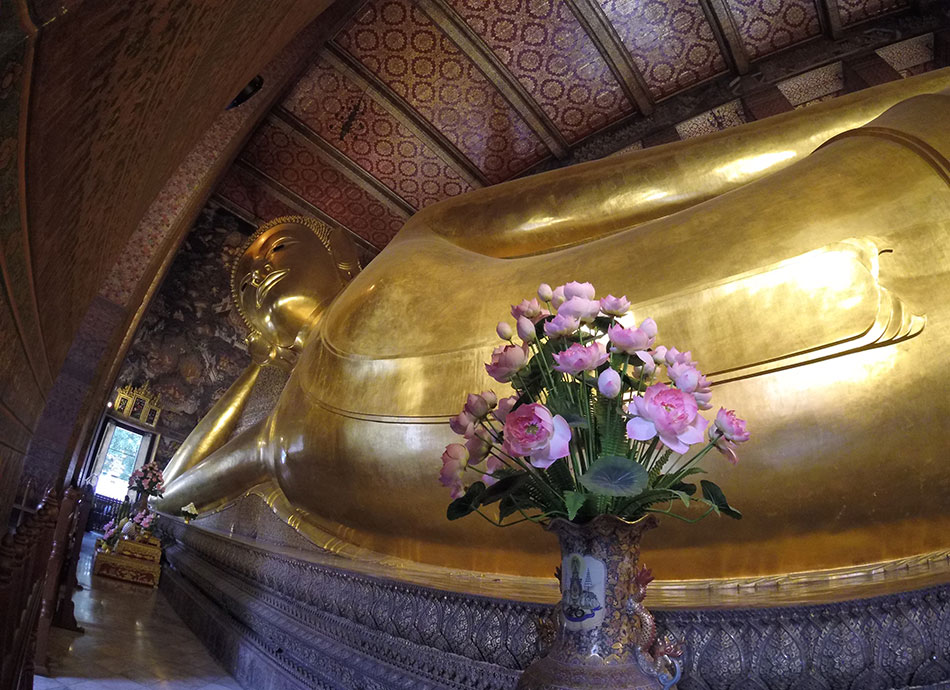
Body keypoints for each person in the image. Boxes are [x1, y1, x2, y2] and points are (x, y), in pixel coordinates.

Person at [155, 73, 950, 582]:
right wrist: (265, 364)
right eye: (251, 282)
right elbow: (176, 486)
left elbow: (628, 188)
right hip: (800, 433)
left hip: (857, 214)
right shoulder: (285, 431)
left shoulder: (416, 240)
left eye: (279, 247)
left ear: (338, 254)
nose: (262, 270)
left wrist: (892, 107)